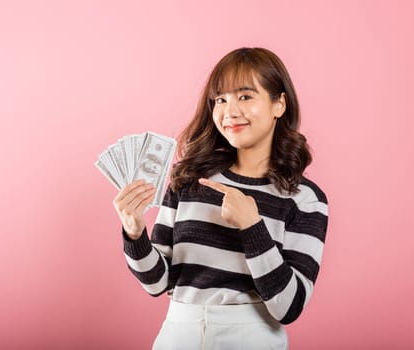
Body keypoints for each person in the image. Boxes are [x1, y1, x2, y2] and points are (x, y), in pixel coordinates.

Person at [113, 47, 329, 349]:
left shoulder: (304, 199)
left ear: (279, 104)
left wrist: (252, 227)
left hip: (251, 337)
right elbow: (157, 283)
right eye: (220, 99)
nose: (229, 112)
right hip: (178, 333)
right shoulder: (188, 181)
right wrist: (134, 233)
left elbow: (289, 306)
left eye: (245, 96)